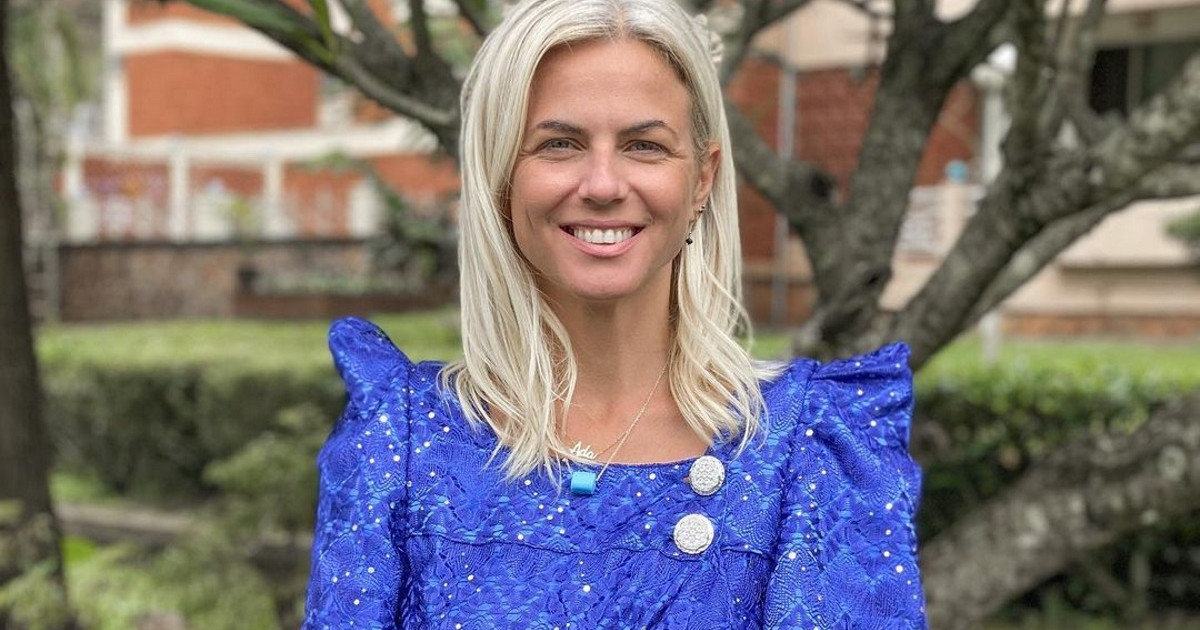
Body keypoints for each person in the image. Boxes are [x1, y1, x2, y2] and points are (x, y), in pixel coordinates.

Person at [302, 0, 927, 627]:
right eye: (559, 144)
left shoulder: (810, 448)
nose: (603, 185)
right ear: (500, 174)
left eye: (644, 145)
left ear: (702, 179)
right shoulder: (404, 444)